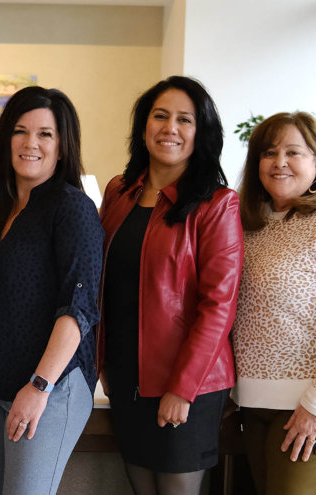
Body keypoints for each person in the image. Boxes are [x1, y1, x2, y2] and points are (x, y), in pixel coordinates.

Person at [98, 76, 243, 495]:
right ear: (144, 126)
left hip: (188, 384)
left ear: (202, 133)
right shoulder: (119, 192)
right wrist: (104, 363)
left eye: (185, 119)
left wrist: (182, 388)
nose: (170, 128)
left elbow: (218, 307)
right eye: (160, 116)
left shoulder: (218, 204)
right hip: (127, 378)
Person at [0, 86, 102, 495]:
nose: (30, 144)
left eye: (45, 134)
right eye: (21, 131)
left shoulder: (72, 208)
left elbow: (79, 309)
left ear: (62, 146)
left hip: (49, 386)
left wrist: (39, 387)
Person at [232, 112, 316, 494]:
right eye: (269, 152)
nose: (279, 162)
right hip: (249, 404)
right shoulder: (246, 224)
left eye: (294, 152)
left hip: (306, 406)